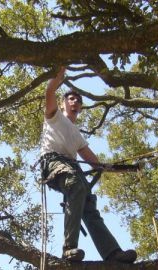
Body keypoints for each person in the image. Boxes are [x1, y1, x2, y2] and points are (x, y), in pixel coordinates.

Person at [39, 67, 137, 263]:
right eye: (71, 99)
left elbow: (96, 163)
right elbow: (49, 93)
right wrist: (56, 80)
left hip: (71, 168)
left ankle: (112, 253)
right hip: (53, 162)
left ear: (81, 108)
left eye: (79, 101)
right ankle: (69, 248)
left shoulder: (78, 136)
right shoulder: (54, 116)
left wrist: (127, 168)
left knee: (88, 205)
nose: (75, 102)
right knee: (75, 184)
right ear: (63, 103)